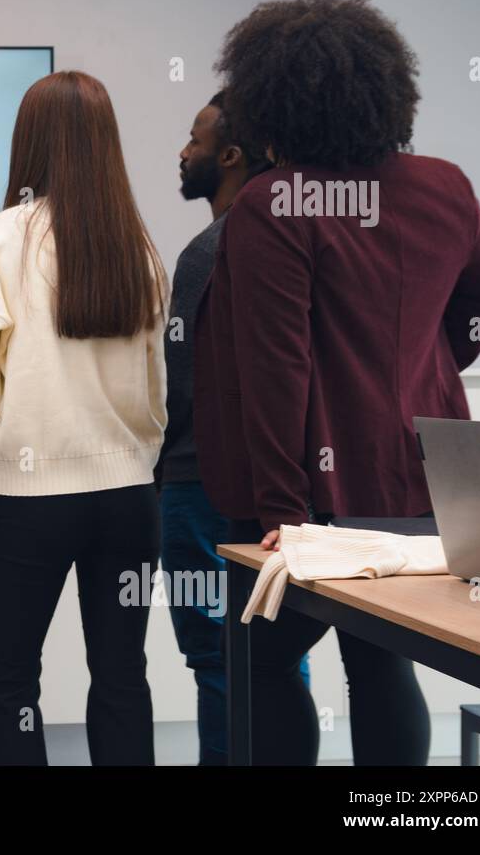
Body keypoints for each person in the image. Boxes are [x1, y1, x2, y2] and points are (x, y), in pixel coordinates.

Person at [195, 0, 480, 765]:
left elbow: (274, 366)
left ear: (270, 97)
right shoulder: (444, 185)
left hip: (311, 494)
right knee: (383, 659)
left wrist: (283, 512)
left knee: (265, 658)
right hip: (423, 482)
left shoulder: (275, 202)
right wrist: (426, 371)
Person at [0, 70, 167, 765]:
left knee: (12, 680)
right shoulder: (140, 246)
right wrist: (133, 462)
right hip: (129, 498)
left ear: (29, 142)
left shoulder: (3, 237)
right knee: (123, 674)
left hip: (34, 502)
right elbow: (157, 393)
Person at [161, 92, 308, 765]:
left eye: (193, 141)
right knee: (271, 655)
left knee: (218, 659)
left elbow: (181, 389)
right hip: (272, 492)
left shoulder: (206, 254)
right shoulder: (288, 238)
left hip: (200, 487)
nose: (182, 153)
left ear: (228, 155)